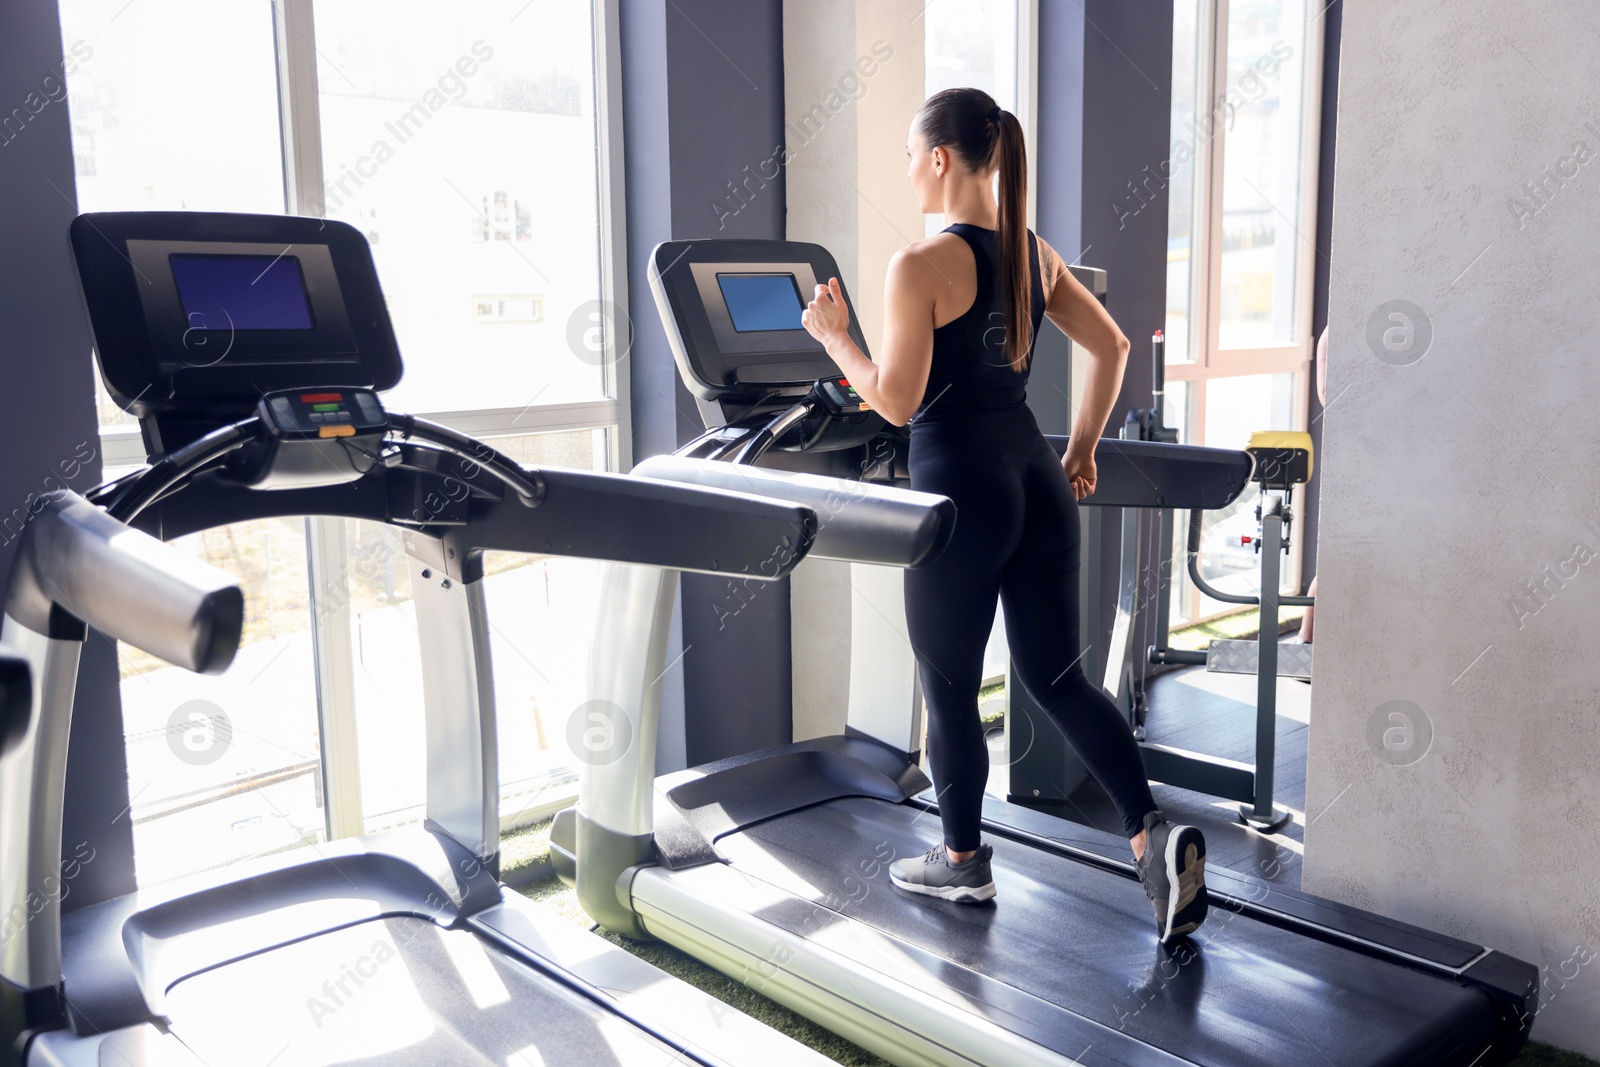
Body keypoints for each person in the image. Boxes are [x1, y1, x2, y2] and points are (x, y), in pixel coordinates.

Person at [798, 87, 1207, 945]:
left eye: (914, 153)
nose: (909, 169)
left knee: (948, 686)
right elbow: (1114, 346)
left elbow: (901, 405)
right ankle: (1151, 835)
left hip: (960, 494)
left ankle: (961, 861)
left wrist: (837, 340)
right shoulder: (1035, 254)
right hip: (1037, 480)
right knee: (1059, 679)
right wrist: (1084, 448)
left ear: (941, 157)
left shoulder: (917, 265)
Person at [1296, 326, 1328, 643]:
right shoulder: (1334, 334)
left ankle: (1307, 640)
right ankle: (1307, 640)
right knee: (1332, 562)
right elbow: (1328, 396)